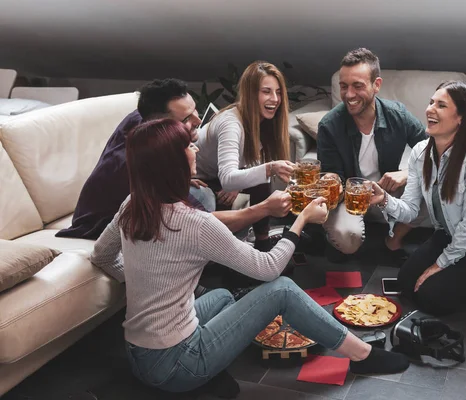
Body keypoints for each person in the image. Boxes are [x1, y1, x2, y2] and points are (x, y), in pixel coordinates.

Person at [90, 119, 410, 398]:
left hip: (137, 354)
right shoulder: (194, 223)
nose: (197, 150)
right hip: (177, 365)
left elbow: (102, 256)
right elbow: (268, 269)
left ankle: (206, 372)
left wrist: (147, 287)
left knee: (221, 297)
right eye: (189, 146)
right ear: (170, 162)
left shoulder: (132, 205)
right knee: (281, 290)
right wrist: (301, 221)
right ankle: (361, 354)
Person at [57, 78, 290, 241]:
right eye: (187, 119)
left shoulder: (145, 118)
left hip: (144, 201)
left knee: (218, 188)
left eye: (195, 111)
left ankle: (258, 241)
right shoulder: (140, 162)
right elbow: (199, 222)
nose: (199, 121)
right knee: (203, 199)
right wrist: (265, 209)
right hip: (101, 226)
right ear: (159, 125)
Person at [370, 81, 466, 315]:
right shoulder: (421, 152)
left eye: (441, 105)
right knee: (406, 284)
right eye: (431, 102)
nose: (430, 109)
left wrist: (438, 265)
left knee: (432, 298)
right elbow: (411, 211)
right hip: (450, 235)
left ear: (461, 118)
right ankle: (464, 275)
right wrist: (383, 199)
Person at [316, 48, 428, 261]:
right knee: (347, 241)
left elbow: (433, 149)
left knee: (434, 185)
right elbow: (332, 174)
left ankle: (393, 242)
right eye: (344, 86)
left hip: (386, 192)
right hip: (347, 198)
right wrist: (330, 182)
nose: (349, 95)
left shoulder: (397, 114)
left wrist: (406, 173)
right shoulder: (329, 126)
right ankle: (328, 234)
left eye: (357, 86)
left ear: (376, 85)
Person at [195, 61, 296, 251]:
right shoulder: (231, 124)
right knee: (263, 174)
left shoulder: (262, 120)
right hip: (199, 178)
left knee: (261, 180)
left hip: (220, 173)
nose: (275, 99)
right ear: (250, 93)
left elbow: (251, 162)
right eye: (266, 91)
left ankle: (262, 241)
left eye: (278, 92)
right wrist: (269, 168)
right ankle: (224, 256)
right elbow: (227, 179)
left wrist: (240, 179)